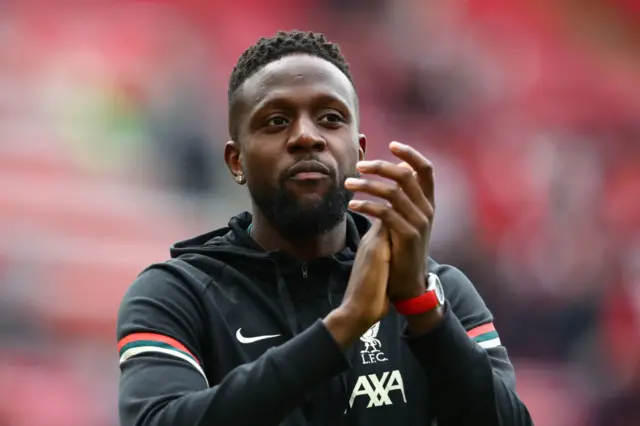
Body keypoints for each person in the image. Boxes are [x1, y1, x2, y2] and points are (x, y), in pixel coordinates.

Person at [117, 30, 533, 426]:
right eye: (276, 121)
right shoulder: (177, 294)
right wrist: (343, 326)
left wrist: (422, 309)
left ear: (358, 150)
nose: (305, 137)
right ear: (235, 161)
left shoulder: (440, 292)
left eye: (331, 118)